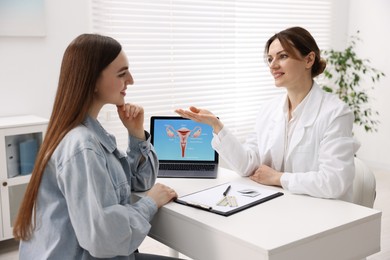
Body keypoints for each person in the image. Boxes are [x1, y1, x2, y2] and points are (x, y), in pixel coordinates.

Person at [13, 34, 182, 260]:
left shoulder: (88, 133)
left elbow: (139, 181)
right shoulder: (82, 145)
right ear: (92, 80)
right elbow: (105, 238)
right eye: (122, 73)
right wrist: (150, 203)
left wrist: (136, 134)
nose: (131, 80)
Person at [176, 27, 359, 202]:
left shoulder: (336, 112)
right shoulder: (268, 110)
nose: (273, 65)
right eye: (270, 59)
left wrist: (278, 178)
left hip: (322, 212)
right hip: (278, 204)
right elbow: (247, 165)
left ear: (309, 60)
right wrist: (217, 126)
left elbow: (334, 182)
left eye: (283, 56)